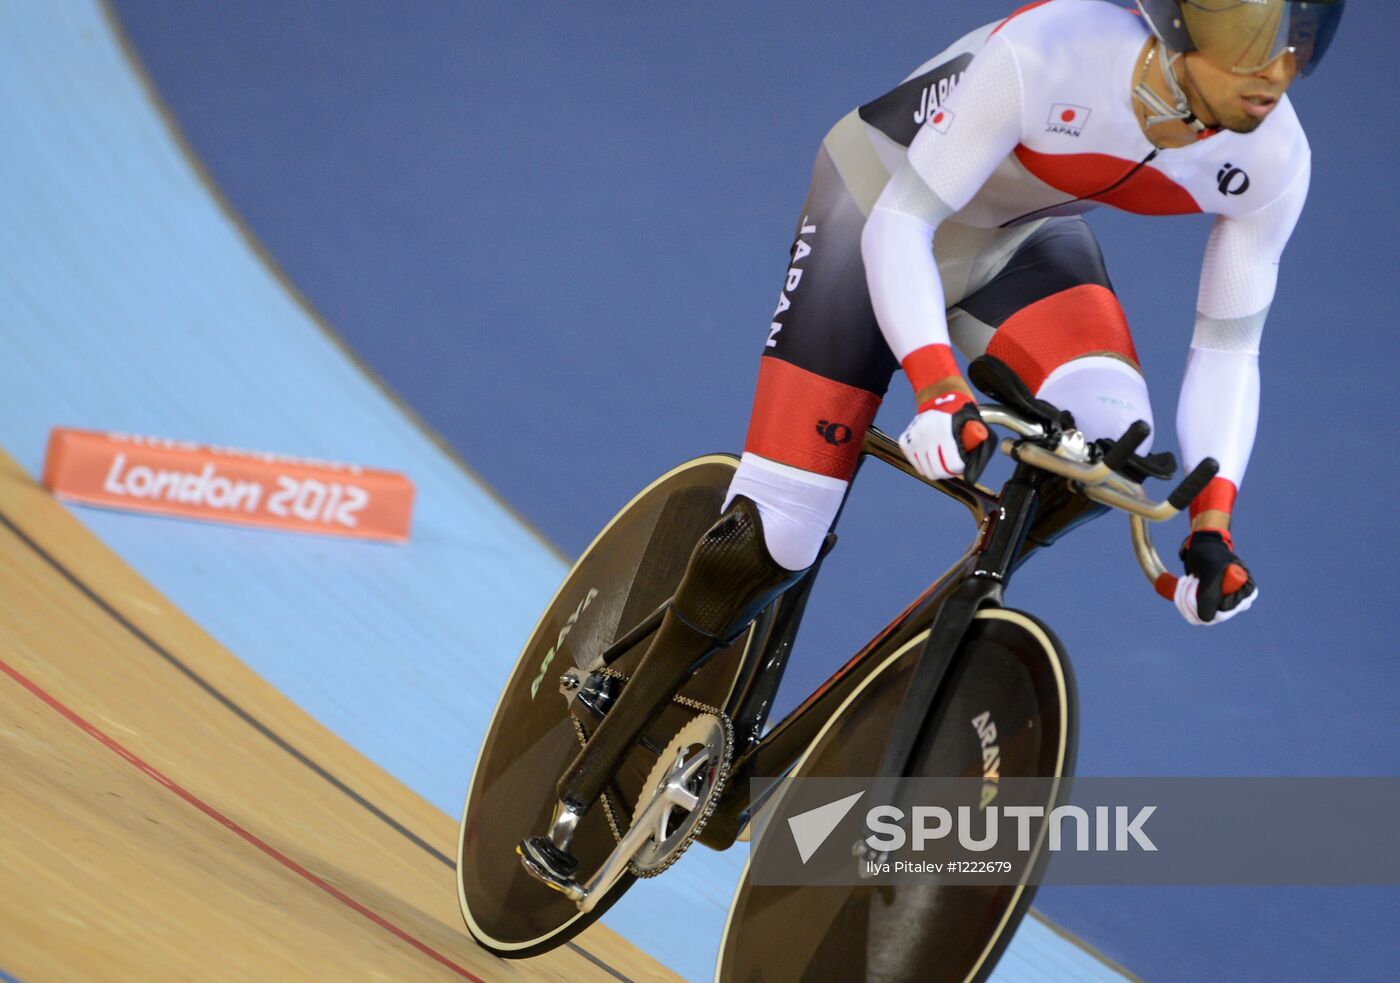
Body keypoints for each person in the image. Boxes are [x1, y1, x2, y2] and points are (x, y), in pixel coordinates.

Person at [521, 0, 1345, 881]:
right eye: (1256, 37)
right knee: (781, 531)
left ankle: (941, 638)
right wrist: (936, 382)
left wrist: (1211, 524)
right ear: (1179, 22)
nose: (1278, 70)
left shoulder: (1275, 157)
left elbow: (1229, 347)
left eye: (1302, 42)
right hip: (879, 200)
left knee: (1107, 443)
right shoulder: (1054, 50)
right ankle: (585, 774)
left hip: (1016, 240)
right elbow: (901, 223)